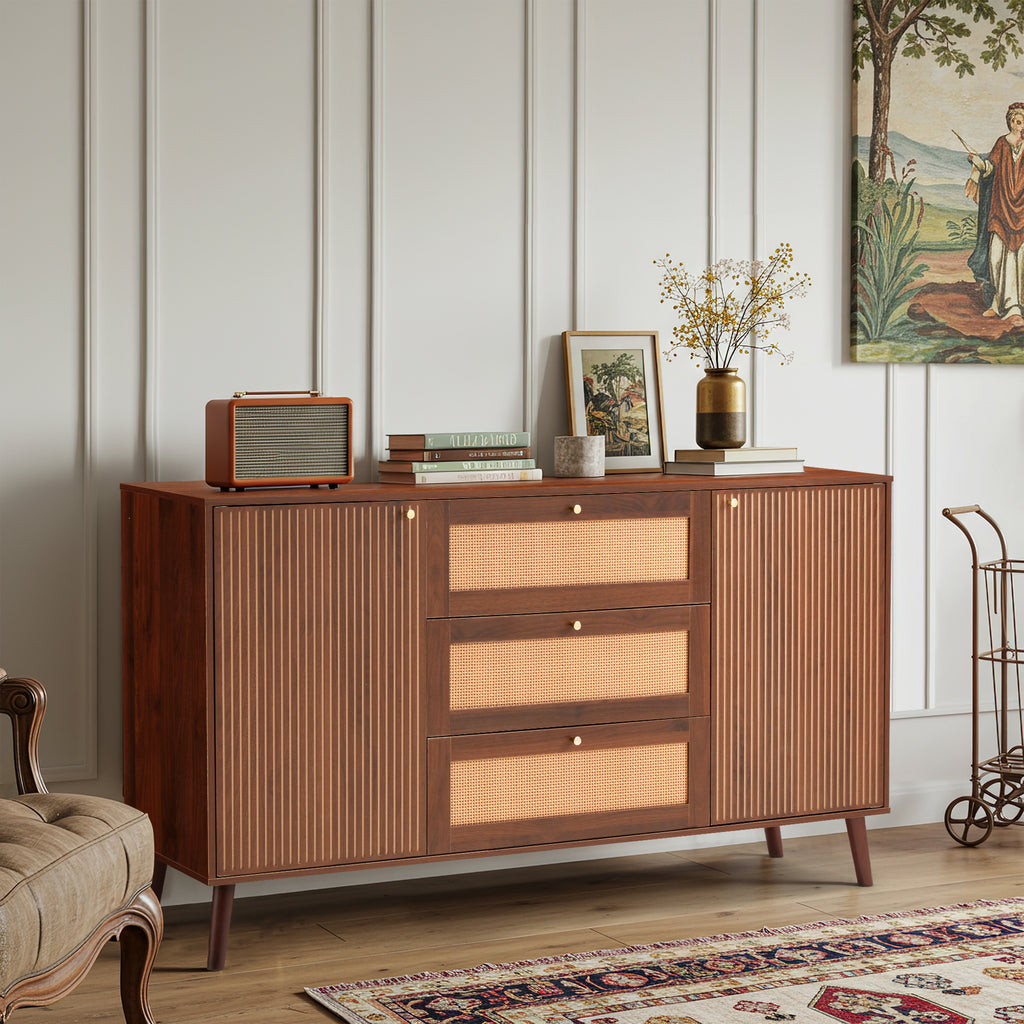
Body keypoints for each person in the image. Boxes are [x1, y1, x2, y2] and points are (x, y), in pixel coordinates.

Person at [967, 102, 1024, 327]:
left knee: (1016, 259)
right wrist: (978, 163)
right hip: (1001, 207)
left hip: (1021, 211)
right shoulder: (1002, 143)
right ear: (1009, 122)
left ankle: (1014, 306)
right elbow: (990, 168)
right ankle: (997, 302)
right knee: (997, 257)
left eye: (1020, 121)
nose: (1018, 125)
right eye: (1014, 120)